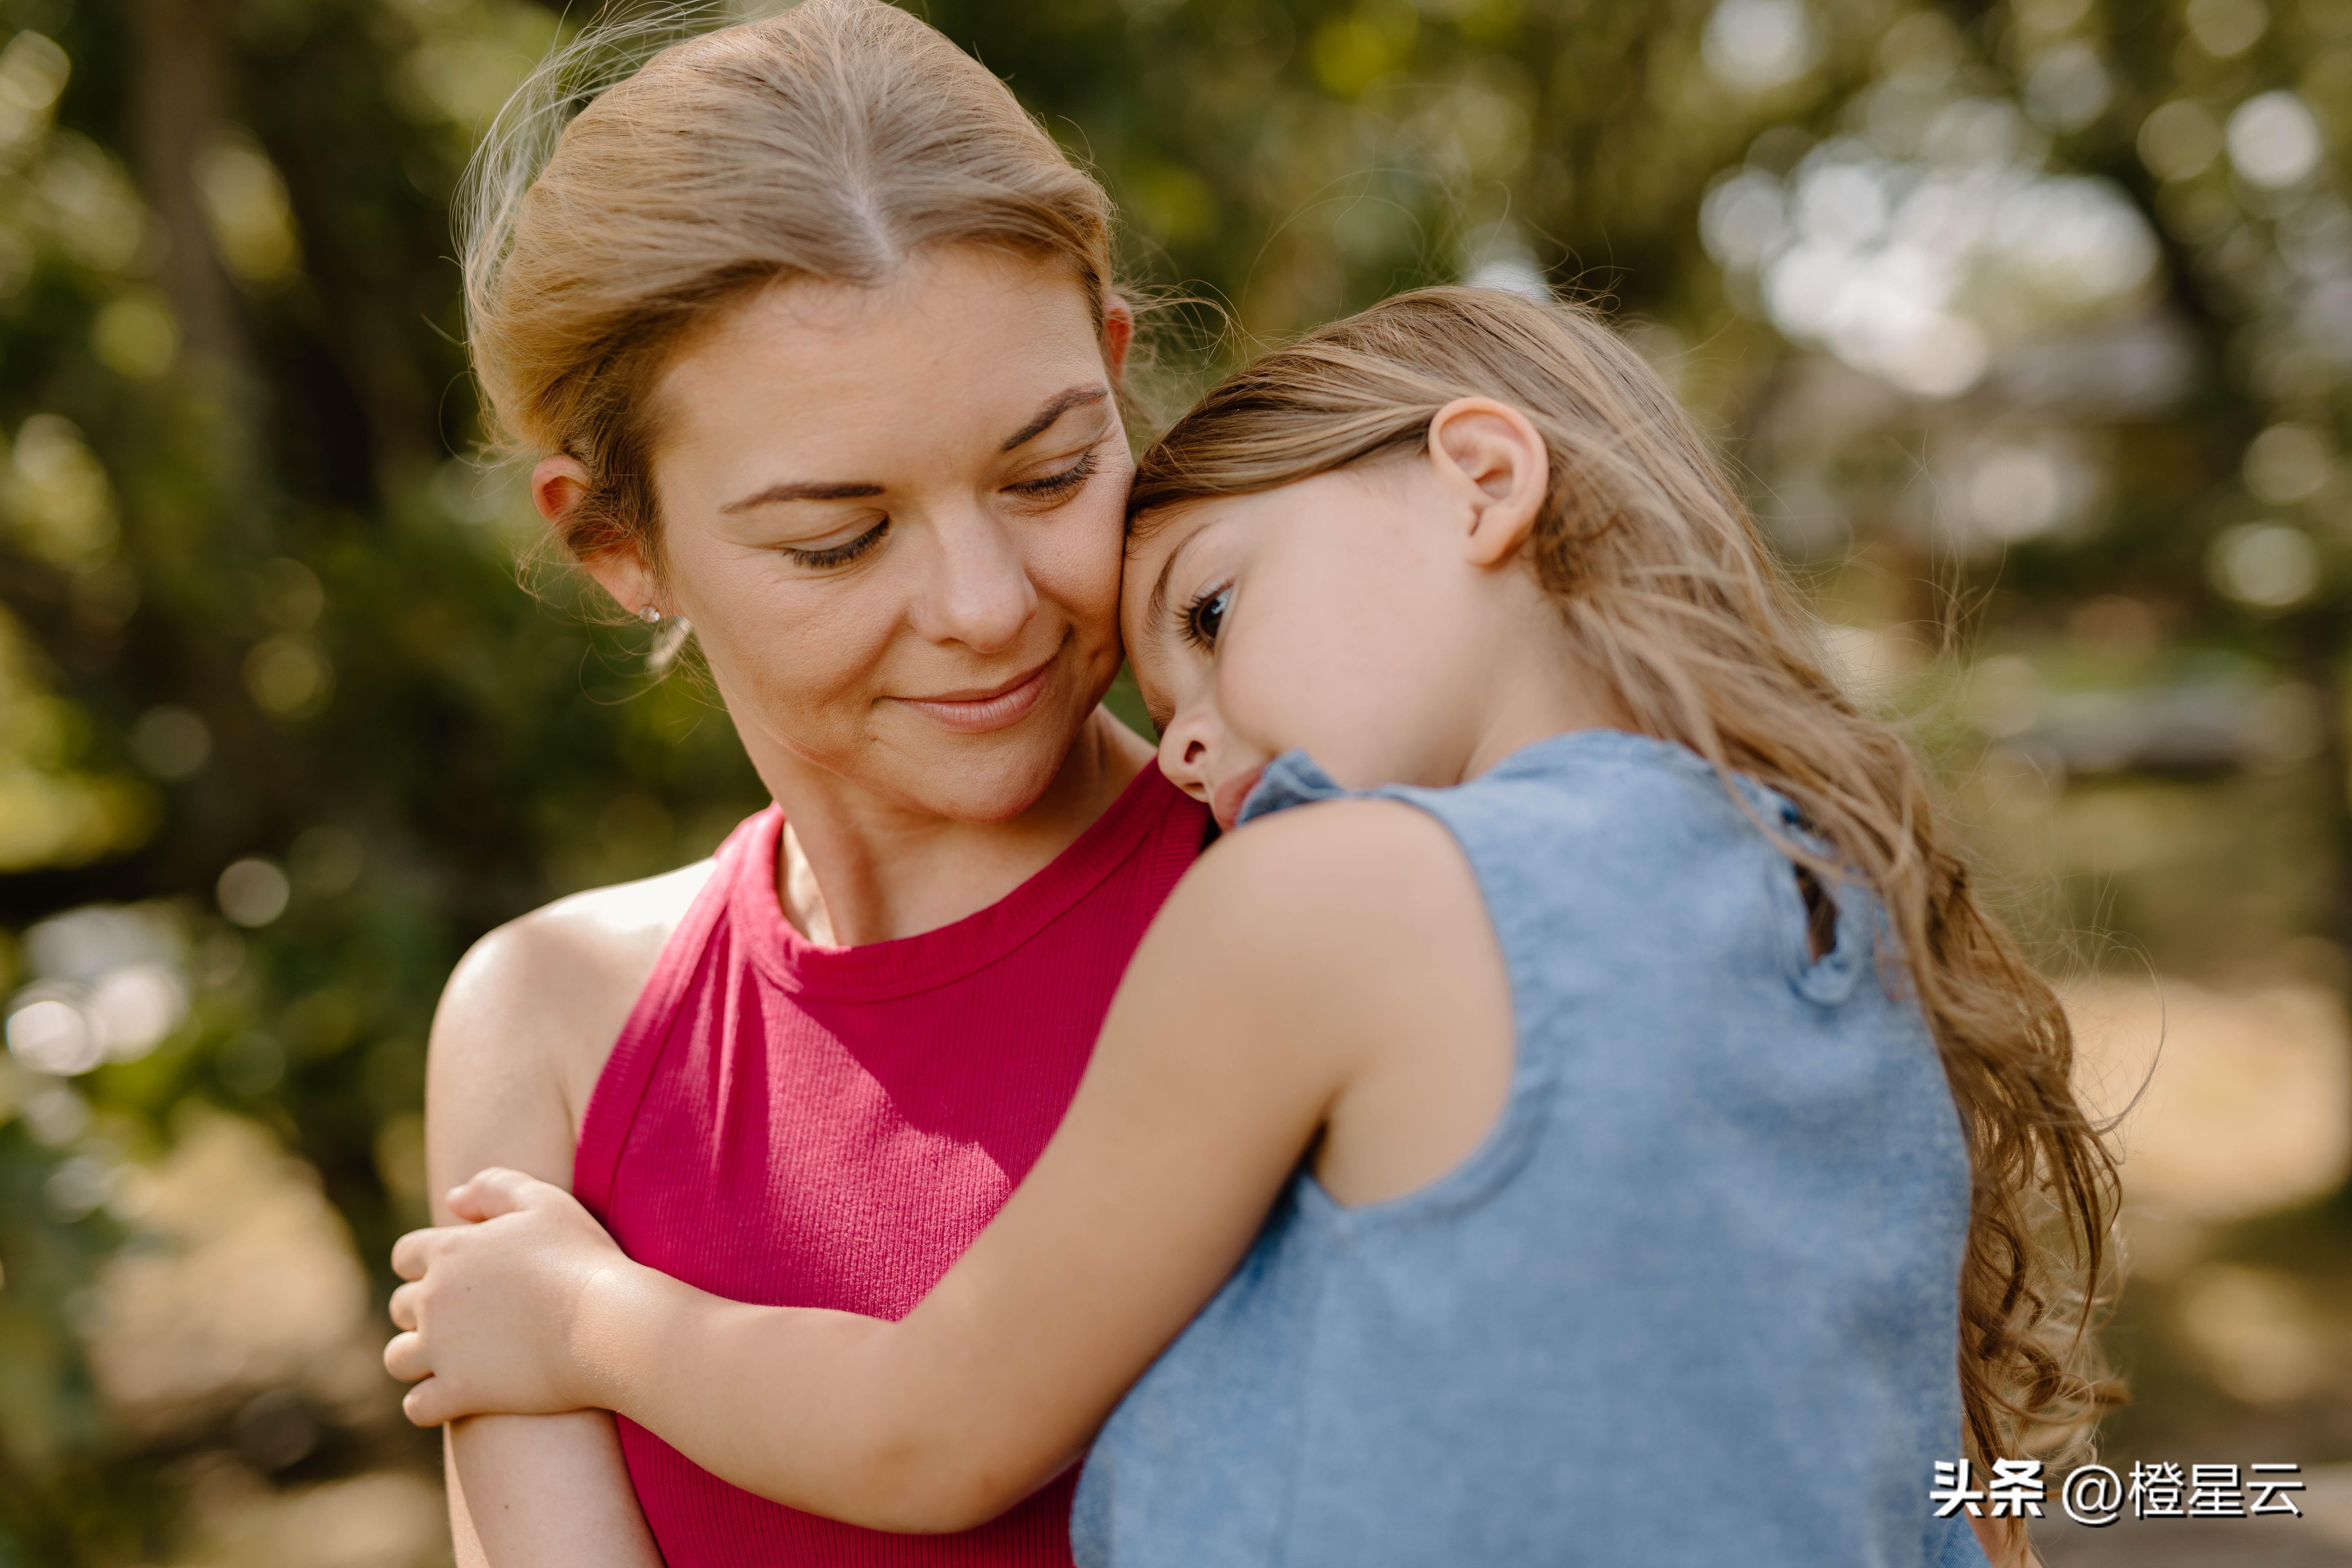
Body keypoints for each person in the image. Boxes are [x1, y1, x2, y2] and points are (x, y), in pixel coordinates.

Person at [386, 286, 2120, 1568]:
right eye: (842, 536)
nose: (1192, 741)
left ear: (1482, 479)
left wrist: (585, 1318)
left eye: (1213, 612)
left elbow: (936, 1422)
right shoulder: (1832, 902)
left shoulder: (1325, 898)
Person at [423, 2, 1210, 1563]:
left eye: (1052, 470)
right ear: (616, 542)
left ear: (1115, 371)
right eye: (837, 538)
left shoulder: (1327, 872)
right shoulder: (556, 1026)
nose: (988, 604)